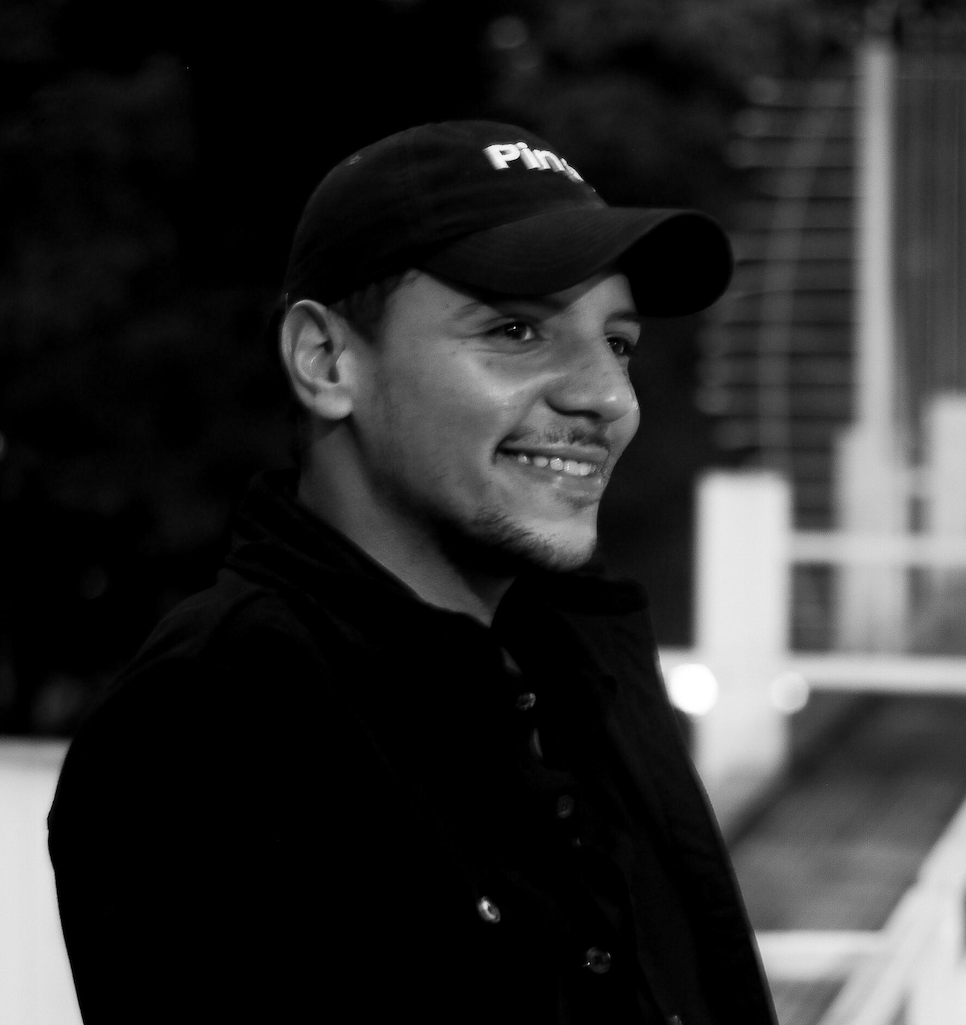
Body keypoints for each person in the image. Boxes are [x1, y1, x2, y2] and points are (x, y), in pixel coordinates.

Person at [48, 119, 777, 1024]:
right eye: (517, 329)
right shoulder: (211, 719)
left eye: (618, 342)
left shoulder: (581, 668)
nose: (607, 397)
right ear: (325, 361)